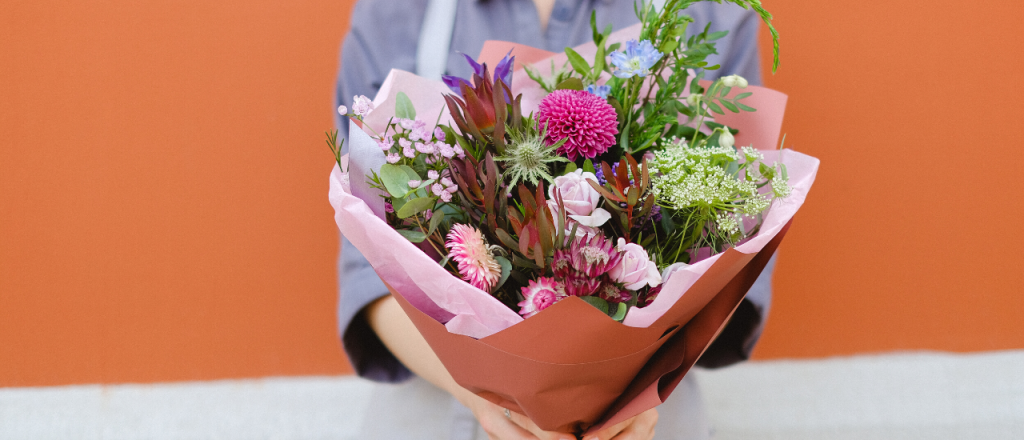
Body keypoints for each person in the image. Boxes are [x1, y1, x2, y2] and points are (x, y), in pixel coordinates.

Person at [334, 1, 775, 438]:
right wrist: (486, 397)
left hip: (643, 421)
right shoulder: (394, 13)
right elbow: (370, 273)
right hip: (440, 403)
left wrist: (634, 394)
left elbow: (734, 257)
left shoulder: (707, 13)